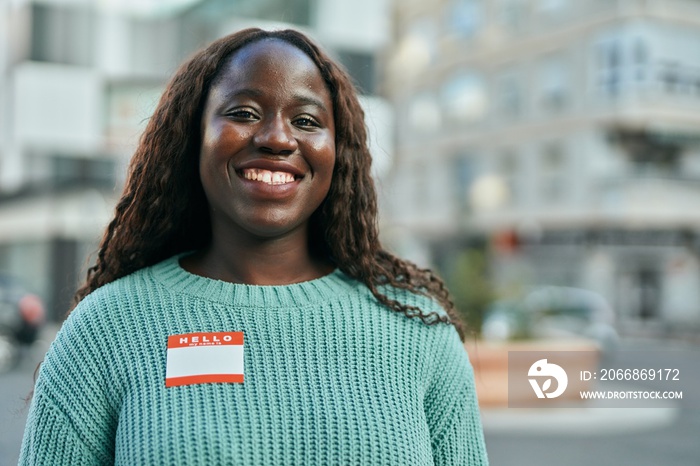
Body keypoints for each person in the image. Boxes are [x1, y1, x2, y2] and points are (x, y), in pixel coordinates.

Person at [19, 28, 489, 465]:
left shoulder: (419, 334)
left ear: (336, 150)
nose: (277, 138)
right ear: (193, 137)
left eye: (306, 120)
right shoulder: (107, 329)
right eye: (243, 113)